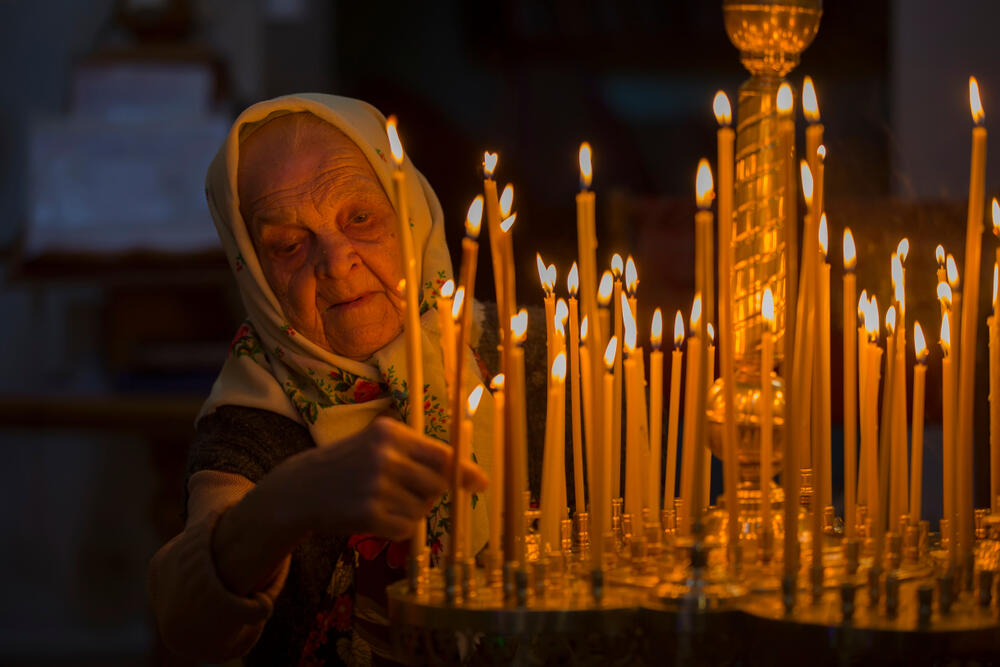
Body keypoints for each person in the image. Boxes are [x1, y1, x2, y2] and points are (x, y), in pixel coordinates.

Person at [148, 95, 498, 666]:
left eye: (360, 218)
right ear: (254, 273)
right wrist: (289, 500)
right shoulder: (253, 419)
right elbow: (189, 624)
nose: (336, 261)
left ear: (410, 212)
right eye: (288, 244)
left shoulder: (533, 357)